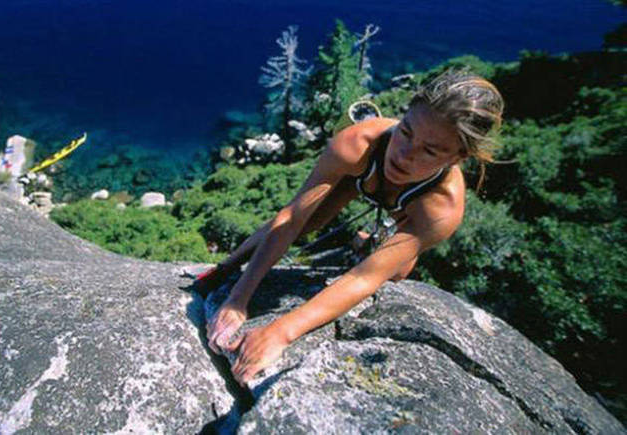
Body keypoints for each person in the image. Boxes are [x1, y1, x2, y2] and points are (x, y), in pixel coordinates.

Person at [204, 70, 504, 385]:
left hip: (409, 209)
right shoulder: (357, 142)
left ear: (460, 157)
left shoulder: (440, 209)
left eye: (429, 151)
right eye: (405, 131)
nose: (404, 154)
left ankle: (367, 242)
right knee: (310, 220)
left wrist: (279, 333)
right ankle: (225, 264)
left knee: (396, 273)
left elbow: (364, 278)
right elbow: (291, 218)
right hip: (359, 176)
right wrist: (237, 297)